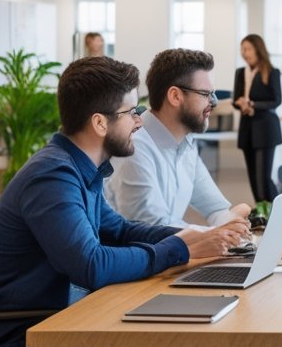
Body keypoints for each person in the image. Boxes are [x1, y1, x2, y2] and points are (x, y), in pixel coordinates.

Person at [0, 55, 267, 347]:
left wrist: (198, 241)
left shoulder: (81, 171)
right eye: (130, 113)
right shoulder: (53, 177)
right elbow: (91, 265)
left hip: (65, 324)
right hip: (27, 345)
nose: (139, 123)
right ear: (99, 123)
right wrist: (181, 250)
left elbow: (122, 230)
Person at [107, 48, 251, 229]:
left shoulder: (186, 143)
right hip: (142, 252)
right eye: (206, 94)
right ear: (175, 96)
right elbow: (153, 228)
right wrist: (216, 234)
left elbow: (215, 208)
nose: (213, 102)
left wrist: (231, 224)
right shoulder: (134, 147)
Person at [233, 34, 282, 203]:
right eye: (242, 49)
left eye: (247, 49)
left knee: (263, 178)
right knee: (253, 178)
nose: (244, 53)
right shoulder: (240, 73)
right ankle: (262, 212)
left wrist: (252, 104)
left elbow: (276, 101)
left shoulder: (271, 72)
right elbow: (235, 100)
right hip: (247, 128)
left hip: (266, 129)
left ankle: (277, 211)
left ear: (258, 49)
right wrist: (240, 103)